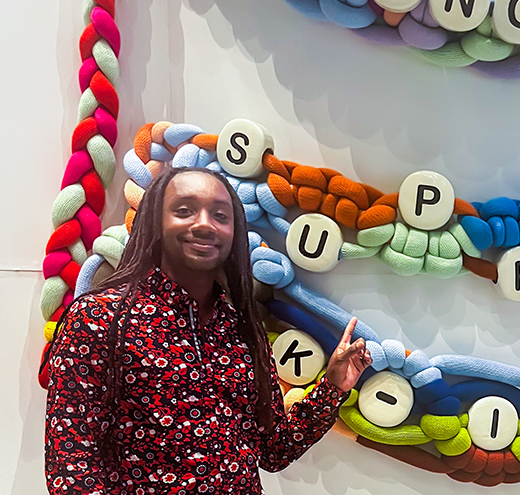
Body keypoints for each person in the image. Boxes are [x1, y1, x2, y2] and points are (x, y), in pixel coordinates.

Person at [45, 167, 372, 494]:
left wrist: (332, 388)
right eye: (184, 210)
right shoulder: (100, 317)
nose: (204, 224)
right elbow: (71, 464)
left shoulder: (242, 329)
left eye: (220, 215)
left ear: (234, 233)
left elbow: (273, 451)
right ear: (155, 223)